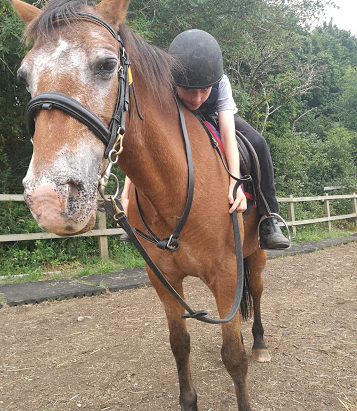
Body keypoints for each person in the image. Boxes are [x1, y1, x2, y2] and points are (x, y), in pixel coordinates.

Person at [121, 29, 290, 250]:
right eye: (189, 90)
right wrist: (125, 194)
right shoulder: (164, 82)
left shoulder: (221, 83)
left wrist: (235, 183)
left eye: (204, 90)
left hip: (215, 116)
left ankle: (269, 217)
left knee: (257, 142)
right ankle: (139, 216)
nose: (197, 98)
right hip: (177, 118)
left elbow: (227, 132)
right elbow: (143, 140)